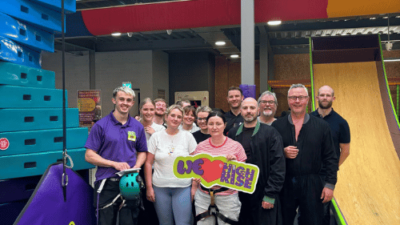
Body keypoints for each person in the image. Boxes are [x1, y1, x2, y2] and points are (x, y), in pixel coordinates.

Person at [271, 84, 338, 225]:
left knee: (313, 221)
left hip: (313, 183)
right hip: (285, 183)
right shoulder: (277, 126)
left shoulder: (322, 126)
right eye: (293, 97)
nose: (297, 101)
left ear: (307, 99)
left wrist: (330, 185)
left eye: (300, 97)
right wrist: (282, 152)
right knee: (282, 220)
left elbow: (331, 157)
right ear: (288, 100)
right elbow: (270, 155)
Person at [85, 86, 147, 225]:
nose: (125, 103)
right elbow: (89, 155)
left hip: (130, 182)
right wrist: (113, 164)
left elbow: (143, 151)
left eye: (128, 100)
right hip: (107, 182)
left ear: (132, 103)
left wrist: (137, 166)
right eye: (121, 99)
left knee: (129, 221)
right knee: (105, 221)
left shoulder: (137, 126)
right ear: (114, 100)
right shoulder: (101, 125)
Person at [228, 98, 285, 225]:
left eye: (252, 108)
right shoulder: (233, 134)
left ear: (258, 110)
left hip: (263, 194)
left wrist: (270, 194)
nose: (249, 111)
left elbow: (278, 166)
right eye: (245, 108)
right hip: (239, 195)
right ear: (241, 111)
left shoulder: (270, 133)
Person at [144, 105, 198, 225]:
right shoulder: (156, 136)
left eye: (179, 117)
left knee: (183, 223)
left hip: (183, 187)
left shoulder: (188, 137)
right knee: (164, 223)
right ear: (166, 117)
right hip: (160, 187)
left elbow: (195, 162)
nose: (175, 119)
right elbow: (148, 163)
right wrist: (149, 187)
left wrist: (194, 186)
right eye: (172, 115)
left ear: (182, 119)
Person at [192, 111, 247, 225]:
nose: (214, 127)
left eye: (218, 123)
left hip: (227, 196)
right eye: (211, 124)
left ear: (224, 125)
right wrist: (195, 181)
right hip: (203, 195)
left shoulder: (236, 146)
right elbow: (195, 169)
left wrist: (235, 164)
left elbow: (243, 176)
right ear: (207, 125)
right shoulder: (201, 146)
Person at [310, 85, 350, 225]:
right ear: (317, 98)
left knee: (322, 210)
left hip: (325, 176)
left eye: (328, 95)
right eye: (322, 95)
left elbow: (345, 151)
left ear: (333, 98)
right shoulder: (307, 119)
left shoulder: (341, 123)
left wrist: (332, 167)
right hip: (306, 173)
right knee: (305, 209)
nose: (325, 97)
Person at [138, 98, 165, 225]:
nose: (148, 112)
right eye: (145, 109)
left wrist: (154, 135)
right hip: (138, 168)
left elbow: (165, 150)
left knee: (154, 201)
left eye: (151, 109)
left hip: (156, 170)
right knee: (139, 201)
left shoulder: (160, 129)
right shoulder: (134, 126)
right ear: (140, 110)